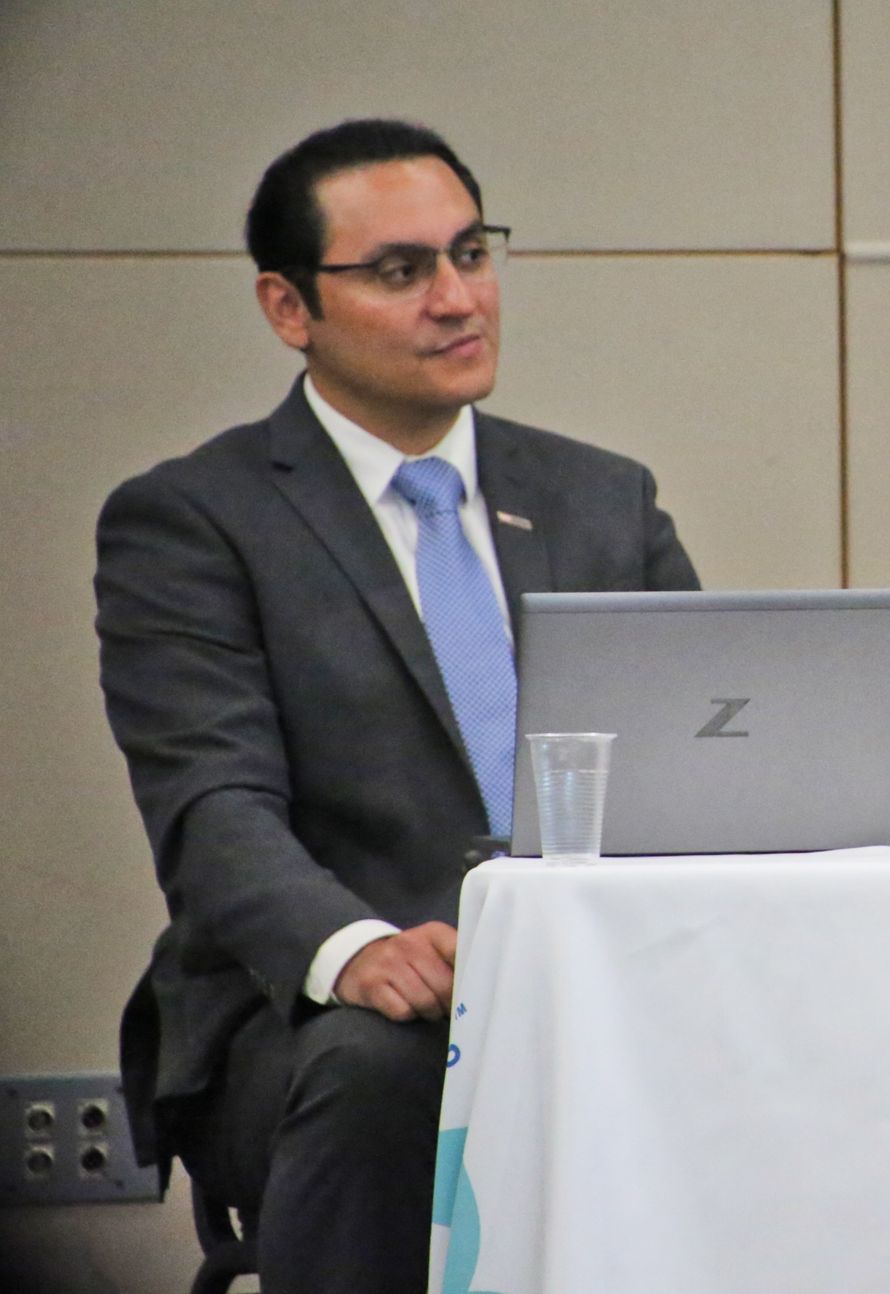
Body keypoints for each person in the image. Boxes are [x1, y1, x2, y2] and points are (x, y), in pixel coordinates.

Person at [95, 119, 698, 1292]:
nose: (457, 297)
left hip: (586, 981)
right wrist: (355, 945)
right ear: (288, 308)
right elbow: (211, 806)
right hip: (314, 1011)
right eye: (400, 270)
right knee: (394, 1065)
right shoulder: (194, 519)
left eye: (472, 254)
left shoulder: (600, 499)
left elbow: (702, 764)